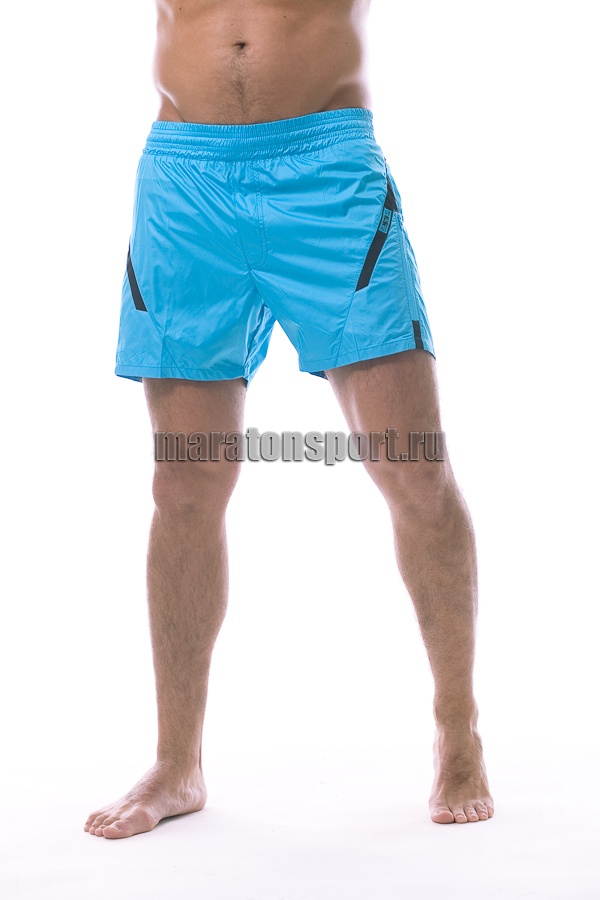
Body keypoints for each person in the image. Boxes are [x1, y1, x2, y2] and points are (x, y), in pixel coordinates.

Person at [84, 0, 494, 839]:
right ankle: (177, 761)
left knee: (414, 464)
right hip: (186, 180)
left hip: (326, 172)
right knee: (184, 483)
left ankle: (458, 728)